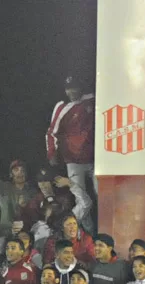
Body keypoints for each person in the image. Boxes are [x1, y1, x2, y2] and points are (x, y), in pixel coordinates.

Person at [45, 76, 96, 230]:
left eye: (74, 88)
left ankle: (90, 235)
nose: (71, 91)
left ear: (81, 88)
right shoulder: (62, 107)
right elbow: (51, 132)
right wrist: (51, 153)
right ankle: (64, 228)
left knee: (102, 195)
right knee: (83, 201)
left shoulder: (92, 100)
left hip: (95, 159)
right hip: (73, 161)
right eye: (68, 88)